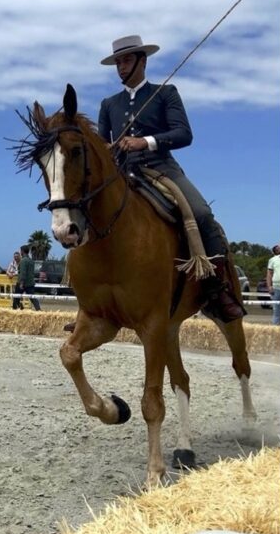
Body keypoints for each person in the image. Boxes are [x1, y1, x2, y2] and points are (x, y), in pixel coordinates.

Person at [98, 34, 244, 322]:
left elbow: (183, 134)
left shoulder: (165, 93)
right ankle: (90, 301)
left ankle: (217, 290)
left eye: (126, 60)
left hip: (161, 168)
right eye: (118, 62)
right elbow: (103, 143)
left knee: (202, 214)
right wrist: (105, 148)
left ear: (142, 61)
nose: (121, 66)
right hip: (122, 173)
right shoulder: (108, 104)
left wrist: (145, 141)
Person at [11, 244, 41, 311]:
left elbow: (23, 272)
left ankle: (16, 309)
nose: (20, 252)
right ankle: (38, 309)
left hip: (22, 282)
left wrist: (21, 283)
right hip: (30, 282)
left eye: (20, 251)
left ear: (22, 251)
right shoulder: (31, 261)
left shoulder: (23, 261)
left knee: (16, 297)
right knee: (33, 298)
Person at [266, 242, 280, 326]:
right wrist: (269, 286)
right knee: (277, 311)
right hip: (276, 288)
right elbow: (269, 274)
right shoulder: (273, 260)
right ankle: (276, 328)